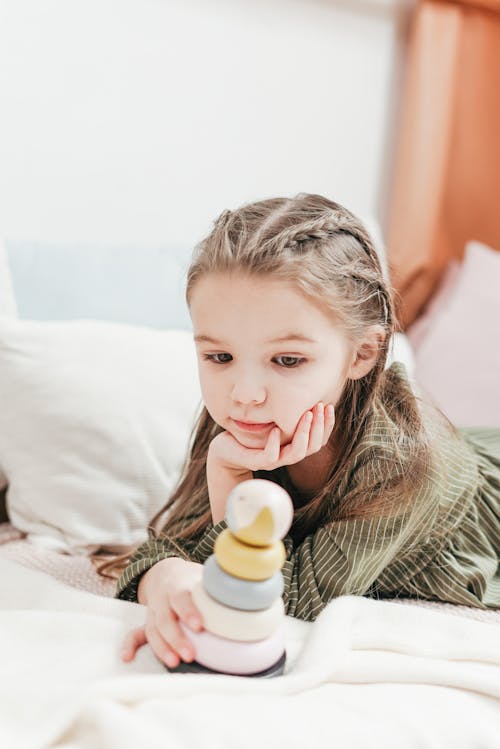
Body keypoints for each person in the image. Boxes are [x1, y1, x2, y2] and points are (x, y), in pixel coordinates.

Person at [109, 193, 499, 670]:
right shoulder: (243, 414)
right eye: (219, 357)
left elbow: (290, 601)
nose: (245, 392)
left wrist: (230, 480)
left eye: (288, 360)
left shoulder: (399, 461)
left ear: (361, 355)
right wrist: (164, 575)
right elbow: (178, 545)